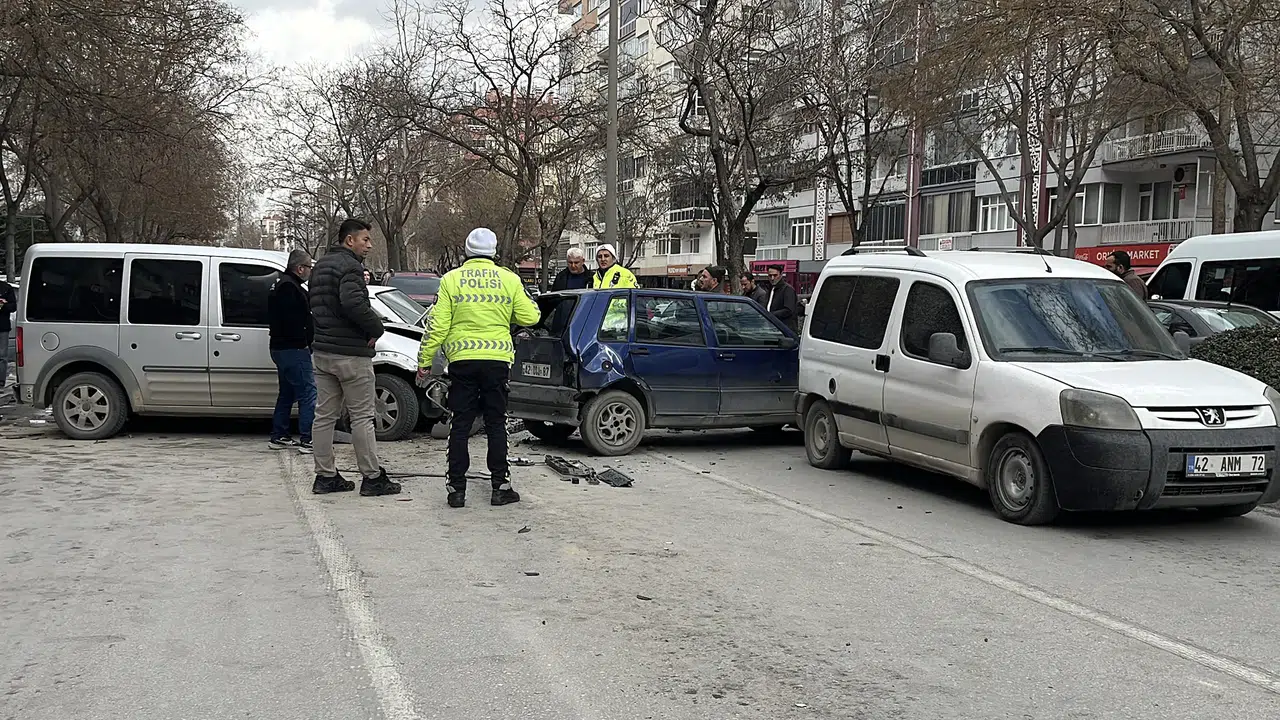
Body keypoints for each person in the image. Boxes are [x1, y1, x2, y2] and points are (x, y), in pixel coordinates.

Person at [417, 228, 541, 509]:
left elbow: (437, 326)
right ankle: (501, 487)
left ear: (466, 251)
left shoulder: (451, 279)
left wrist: (424, 362)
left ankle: (456, 490)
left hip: (462, 361)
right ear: (493, 252)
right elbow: (531, 316)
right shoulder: (509, 279)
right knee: (496, 424)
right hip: (497, 362)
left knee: (460, 424)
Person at [309, 219, 400, 497]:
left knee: (324, 416)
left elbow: (317, 305)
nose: (369, 245)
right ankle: (372, 478)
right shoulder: (350, 267)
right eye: (365, 240)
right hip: (351, 354)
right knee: (362, 417)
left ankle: (325, 476)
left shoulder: (320, 266)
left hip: (323, 351)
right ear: (350, 240)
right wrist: (376, 329)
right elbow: (353, 303)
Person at [267, 249, 316, 453]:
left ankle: (279, 435)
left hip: (281, 347)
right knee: (308, 392)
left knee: (287, 392)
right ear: (300, 268)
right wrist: (304, 342)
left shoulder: (282, 284)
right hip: (293, 348)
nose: (310, 271)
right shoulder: (290, 288)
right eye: (309, 267)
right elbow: (294, 320)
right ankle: (309, 439)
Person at [762, 264, 799, 332]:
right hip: (773, 328)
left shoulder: (787, 289)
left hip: (785, 330)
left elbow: (788, 310)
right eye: (770, 275)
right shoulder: (770, 289)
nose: (772, 278)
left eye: (775, 275)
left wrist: (770, 315)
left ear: (781, 274)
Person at [0, 278, 15, 389]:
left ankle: (1, 382)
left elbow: (13, 306)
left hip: (3, 327)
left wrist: (3, 305)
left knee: (2, 356)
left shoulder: (6, 288)